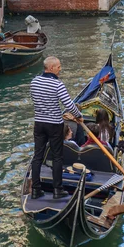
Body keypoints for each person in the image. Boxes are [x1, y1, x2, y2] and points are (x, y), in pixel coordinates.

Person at [30, 56, 83, 200]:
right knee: (57, 157)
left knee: (37, 157)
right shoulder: (57, 85)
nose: (60, 69)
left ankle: (35, 190)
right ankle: (57, 190)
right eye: (59, 66)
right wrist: (78, 115)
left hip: (39, 123)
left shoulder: (34, 82)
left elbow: (36, 100)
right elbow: (69, 105)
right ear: (52, 68)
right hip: (54, 124)